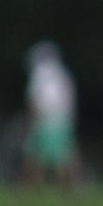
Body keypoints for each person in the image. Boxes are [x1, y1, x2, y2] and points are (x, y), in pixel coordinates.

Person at [22, 40, 79, 190]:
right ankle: (69, 187)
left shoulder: (39, 74)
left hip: (44, 120)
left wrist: (30, 118)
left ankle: (33, 186)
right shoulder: (62, 74)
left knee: (36, 155)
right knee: (63, 155)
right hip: (62, 120)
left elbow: (34, 100)